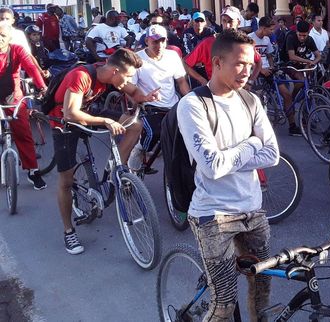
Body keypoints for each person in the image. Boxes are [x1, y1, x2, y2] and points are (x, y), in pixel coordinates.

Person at [178, 29, 279, 321]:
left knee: (263, 289)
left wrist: (228, 158)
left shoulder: (250, 101)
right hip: (213, 215)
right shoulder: (193, 105)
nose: (247, 71)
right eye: (239, 64)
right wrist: (252, 143)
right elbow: (212, 167)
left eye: (250, 64)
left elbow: (272, 155)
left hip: (252, 209)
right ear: (217, 62)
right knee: (223, 304)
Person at [50, 49, 160, 254]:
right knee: (66, 181)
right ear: (115, 71)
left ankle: (116, 169)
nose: (128, 81)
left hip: (88, 111)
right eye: (127, 76)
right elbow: (70, 113)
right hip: (63, 122)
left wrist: (146, 97)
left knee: (135, 126)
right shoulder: (81, 76)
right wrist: (106, 121)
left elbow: (134, 92)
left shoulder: (112, 75)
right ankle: (68, 231)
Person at [127, 24, 190, 174]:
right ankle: (139, 150)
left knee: (186, 134)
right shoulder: (137, 59)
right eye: (155, 41)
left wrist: (190, 100)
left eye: (162, 41)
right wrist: (137, 102)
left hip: (172, 105)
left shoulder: (172, 56)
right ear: (147, 41)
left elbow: (181, 81)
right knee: (154, 133)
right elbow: (129, 88)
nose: (159, 45)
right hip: (149, 106)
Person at [0, 18, 48, 190]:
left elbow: (31, 67)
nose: (0, 39)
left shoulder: (17, 50)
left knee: (23, 133)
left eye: (3, 35)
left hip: (13, 96)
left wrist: (42, 87)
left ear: (9, 37)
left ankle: (33, 171)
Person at [184, 6, 261, 86]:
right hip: (215, 90)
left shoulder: (244, 44)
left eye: (230, 21)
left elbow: (258, 61)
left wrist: (250, 81)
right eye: (224, 21)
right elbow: (185, 63)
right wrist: (201, 79)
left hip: (239, 89)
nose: (227, 25)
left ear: (238, 23)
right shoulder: (208, 42)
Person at [250, 17, 300, 136]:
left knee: (287, 94)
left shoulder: (267, 39)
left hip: (268, 70)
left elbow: (269, 56)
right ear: (263, 28)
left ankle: (292, 125)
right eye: (270, 29)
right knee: (258, 99)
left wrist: (272, 67)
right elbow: (247, 59)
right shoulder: (250, 39)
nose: (272, 32)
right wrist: (261, 70)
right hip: (255, 71)